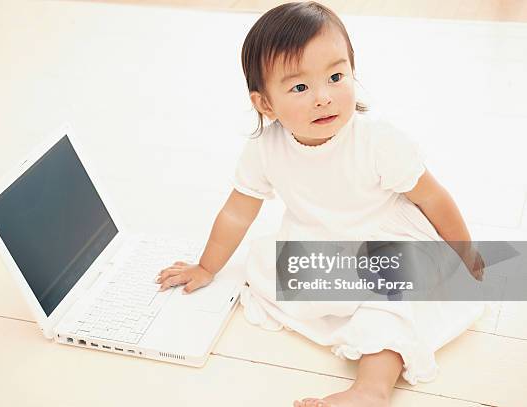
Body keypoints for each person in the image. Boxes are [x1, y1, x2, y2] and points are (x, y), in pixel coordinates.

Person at [156, 2, 486, 406]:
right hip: (320, 243)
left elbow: (434, 198)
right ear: (265, 104)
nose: (324, 97)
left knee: (392, 301)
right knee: (262, 265)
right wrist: (207, 266)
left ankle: (370, 389)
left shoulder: (379, 142)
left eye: (335, 76)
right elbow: (238, 210)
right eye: (300, 87)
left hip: (389, 240)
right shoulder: (266, 149)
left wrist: (464, 250)